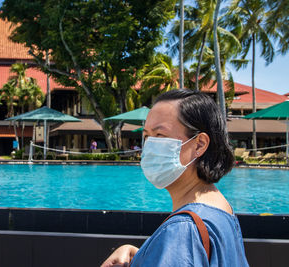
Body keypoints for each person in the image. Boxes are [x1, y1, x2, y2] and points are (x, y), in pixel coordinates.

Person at [101, 89, 249, 267]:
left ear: (199, 145)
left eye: (160, 135)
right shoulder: (221, 209)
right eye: (146, 136)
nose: (149, 146)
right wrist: (141, 255)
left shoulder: (183, 229)